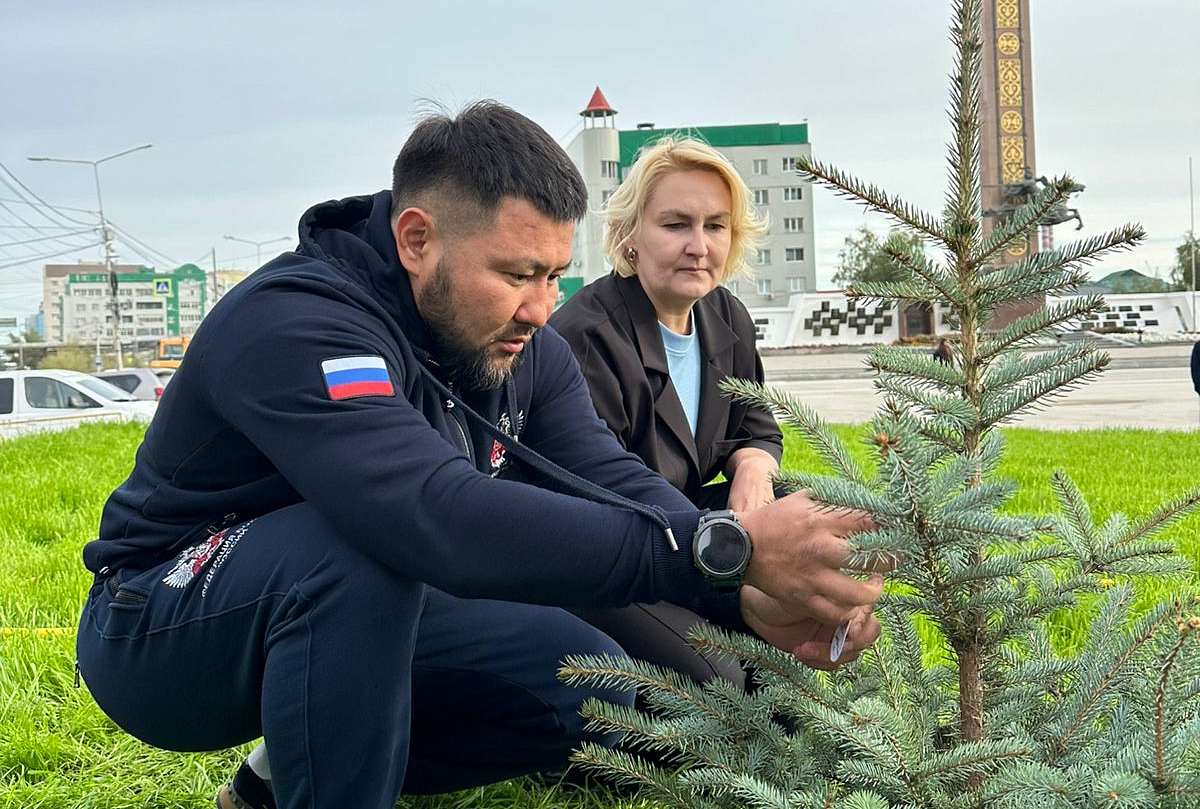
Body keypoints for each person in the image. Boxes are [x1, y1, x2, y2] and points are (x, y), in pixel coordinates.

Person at [75, 102, 886, 809]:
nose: (541, 308)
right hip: (163, 621)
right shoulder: (301, 322)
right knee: (354, 555)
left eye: (557, 277)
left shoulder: (520, 346)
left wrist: (745, 591)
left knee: (597, 687)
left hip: (373, 599)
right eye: (517, 274)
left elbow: (607, 483)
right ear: (417, 239)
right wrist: (731, 552)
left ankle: (283, 780)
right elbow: (431, 516)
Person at [550, 137, 782, 687]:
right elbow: (598, 492)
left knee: (800, 510)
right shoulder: (588, 336)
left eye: (715, 226)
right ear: (630, 236)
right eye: (676, 225)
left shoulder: (727, 315)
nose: (698, 246)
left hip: (690, 527)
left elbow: (758, 428)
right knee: (715, 677)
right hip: (607, 556)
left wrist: (751, 467)